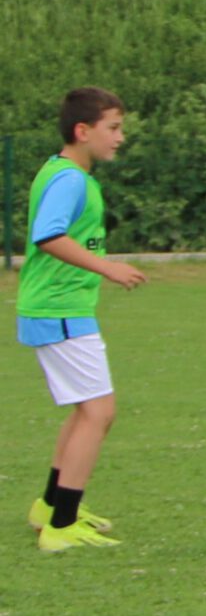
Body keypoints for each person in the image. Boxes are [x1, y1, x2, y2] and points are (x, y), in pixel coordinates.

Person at [18, 88, 145, 553]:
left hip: (60, 309)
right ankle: (62, 526)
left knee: (86, 409)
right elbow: (48, 236)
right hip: (60, 310)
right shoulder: (69, 179)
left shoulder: (66, 173)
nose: (120, 137)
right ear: (82, 130)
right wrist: (107, 267)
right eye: (113, 128)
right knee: (99, 412)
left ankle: (50, 507)